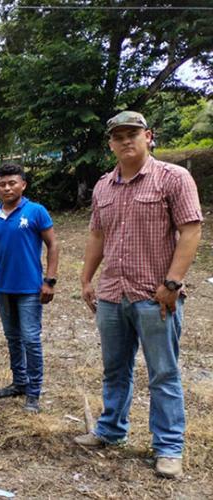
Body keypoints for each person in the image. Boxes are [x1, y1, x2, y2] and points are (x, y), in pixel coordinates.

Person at [74, 111, 202, 479]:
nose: (126, 141)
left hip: (154, 295)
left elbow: (190, 231)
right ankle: (111, 430)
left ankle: (169, 447)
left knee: (163, 373)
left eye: (133, 134)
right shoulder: (103, 187)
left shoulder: (173, 178)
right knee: (115, 368)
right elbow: (97, 235)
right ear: (110, 143)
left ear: (149, 136)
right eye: (118, 136)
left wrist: (173, 283)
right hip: (114, 294)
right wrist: (86, 279)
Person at [0, 163, 59, 413]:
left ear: (23, 185)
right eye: (2, 184)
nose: (7, 187)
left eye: (13, 183)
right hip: (4, 288)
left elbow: (53, 245)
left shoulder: (36, 211)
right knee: (12, 338)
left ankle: (34, 391)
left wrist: (50, 280)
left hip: (31, 289)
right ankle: (19, 382)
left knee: (31, 339)